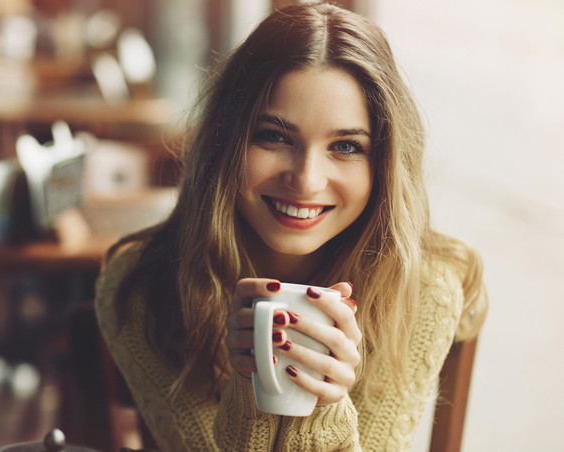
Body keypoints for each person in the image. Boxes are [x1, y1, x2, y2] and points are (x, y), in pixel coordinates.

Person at [95, 2, 488, 451]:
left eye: (345, 146)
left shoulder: (425, 289)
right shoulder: (141, 290)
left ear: (384, 165)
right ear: (225, 140)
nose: (306, 180)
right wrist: (258, 387)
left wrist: (320, 406)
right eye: (275, 137)